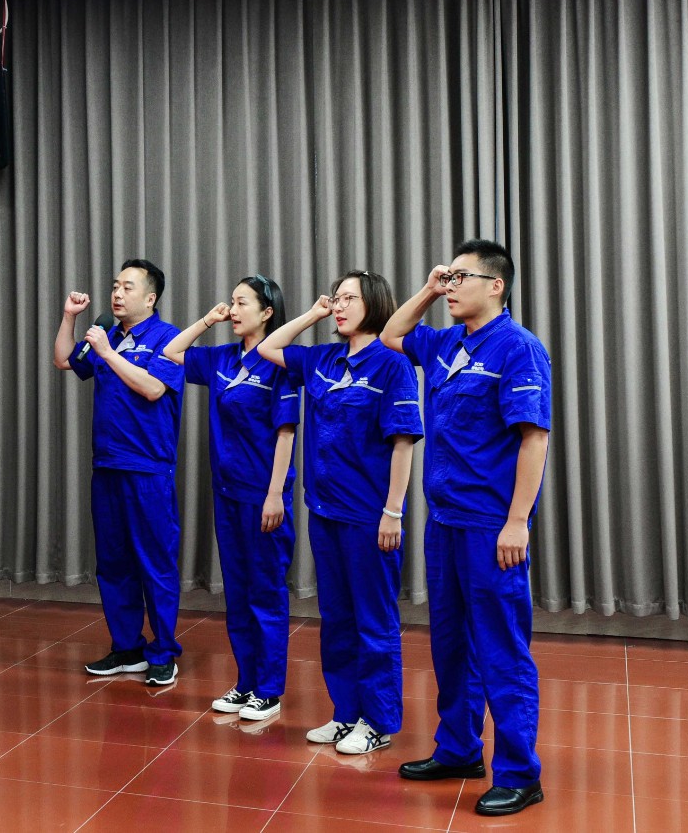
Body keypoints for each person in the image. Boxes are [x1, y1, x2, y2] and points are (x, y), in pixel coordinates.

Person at [380, 240, 551, 818]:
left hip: (490, 525)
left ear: (496, 285)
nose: (451, 287)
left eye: (461, 278)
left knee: (501, 649)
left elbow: (534, 438)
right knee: (450, 644)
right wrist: (429, 288)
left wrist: (517, 521)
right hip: (445, 522)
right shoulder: (448, 342)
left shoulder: (518, 348)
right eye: (448, 278)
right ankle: (458, 749)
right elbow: (393, 336)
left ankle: (520, 773)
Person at [258, 272, 422, 755]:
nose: (341, 306)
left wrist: (393, 511)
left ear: (374, 303)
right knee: (336, 618)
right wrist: (313, 313)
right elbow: (268, 347)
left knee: (374, 620)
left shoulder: (392, 363)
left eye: (350, 298)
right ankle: (346, 712)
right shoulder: (322, 358)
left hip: (369, 515)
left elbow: (404, 442)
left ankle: (378, 720)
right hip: (325, 510)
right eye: (337, 299)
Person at [165, 275, 299, 722]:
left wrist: (275, 494)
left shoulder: (279, 363)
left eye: (242, 303)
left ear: (267, 312)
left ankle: (269, 689)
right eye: (232, 302)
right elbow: (172, 353)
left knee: (265, 593)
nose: (234, 310)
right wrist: (208, 320)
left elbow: (286, 433)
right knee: (238, 594)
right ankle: (246, 682)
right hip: (227, 493)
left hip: (264, 496)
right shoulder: (221, 357)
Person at [53, 259, 186, 687]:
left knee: (155, 563)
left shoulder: (168, 338)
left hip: (147, 468)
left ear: (150, 298)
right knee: (113, 563)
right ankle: (127, 647)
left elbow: (153, 388)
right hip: (107, 465)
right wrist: (70, 318)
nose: (117, 293)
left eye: (128, 287)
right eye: (115, 286)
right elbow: (63, 360)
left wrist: (109, 355)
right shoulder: (107, 333)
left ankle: (163, 652)